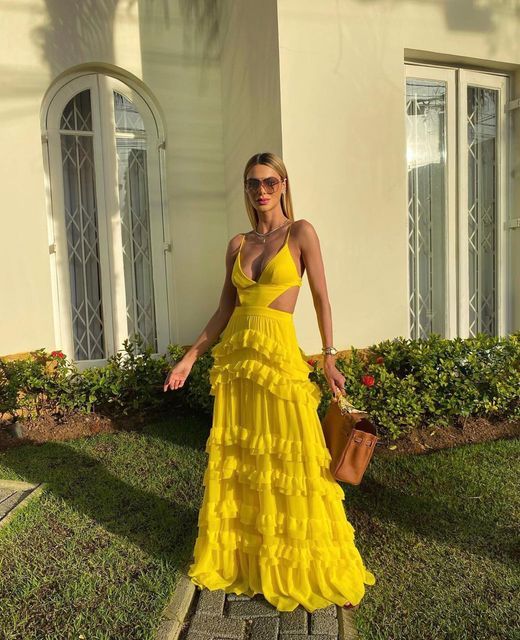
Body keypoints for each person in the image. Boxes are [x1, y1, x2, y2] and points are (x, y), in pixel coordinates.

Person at [163, 151, 376, 612]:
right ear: (246, 188)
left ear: (283, 185)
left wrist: (329, 357)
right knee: (247, 462)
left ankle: (303, 563)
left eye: (269, 182)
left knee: (295, 459)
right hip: (240, 365)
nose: (261, 191)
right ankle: (252, 560)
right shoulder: (237, 244)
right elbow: (225, 309)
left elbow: (321, 298)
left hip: (279, 362)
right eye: (252, 183)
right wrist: (189, 359)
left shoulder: (301, 233)